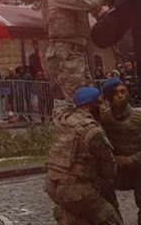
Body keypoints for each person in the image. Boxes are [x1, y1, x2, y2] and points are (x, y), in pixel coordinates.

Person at [45, 87, 123, 224]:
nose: (103, 107)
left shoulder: (63, 121)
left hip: (53, 185)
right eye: (99, 103)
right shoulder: (93, 132)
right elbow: (109, 168)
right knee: (113, 220)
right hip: (78, 192)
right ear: (88, 106)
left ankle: (67, 216)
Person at [43, 0, 111, 103]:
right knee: (77, 98)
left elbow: (91, 8)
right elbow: (89, 3)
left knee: (87, 94)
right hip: (67, 53)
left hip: (72, 52)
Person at [100, 78, 141, 224]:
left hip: (138, 169)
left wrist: (128, 160)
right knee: (100, 193)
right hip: (114, 171)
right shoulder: (103, 118)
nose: (120, 95)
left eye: (123, 91)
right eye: (115, 92)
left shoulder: (139, 116)